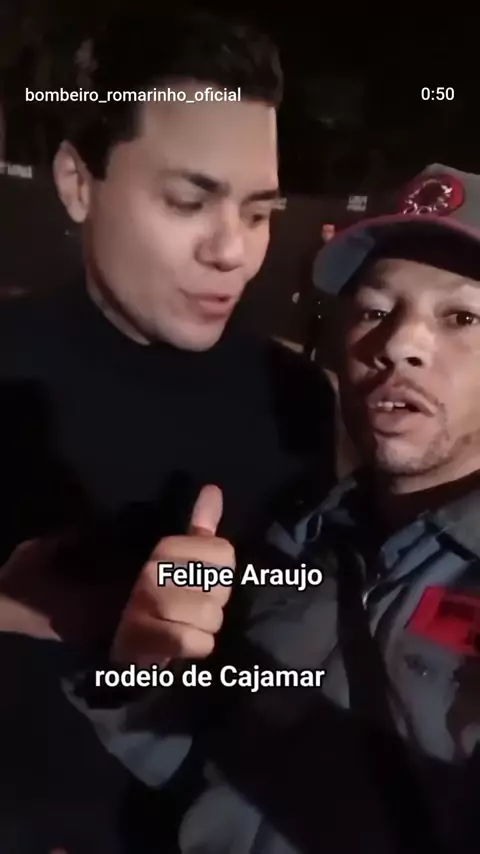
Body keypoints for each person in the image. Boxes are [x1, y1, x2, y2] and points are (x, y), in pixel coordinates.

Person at [0, 9, 336, 853]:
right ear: (78, 183)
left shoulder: (299, 397)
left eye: (259, 212)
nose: (234, 252)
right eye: (189, 201)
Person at [71, 163, 480, 853]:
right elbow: (195, 766)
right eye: (375, 311)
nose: (397, 346)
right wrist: (140, 670)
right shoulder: (294, 539)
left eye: (462, 317)